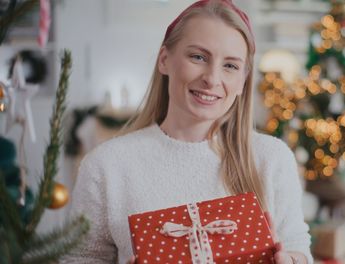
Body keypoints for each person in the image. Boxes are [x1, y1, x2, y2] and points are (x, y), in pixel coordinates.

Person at [62, 0, 312, 263]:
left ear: (243, 80)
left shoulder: (271, 158)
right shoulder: (106, 166)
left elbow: (297, 246)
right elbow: (78, 258)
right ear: (164, 60)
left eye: (230, 65)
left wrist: (291, 260)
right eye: (198, 57)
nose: (212, 79)